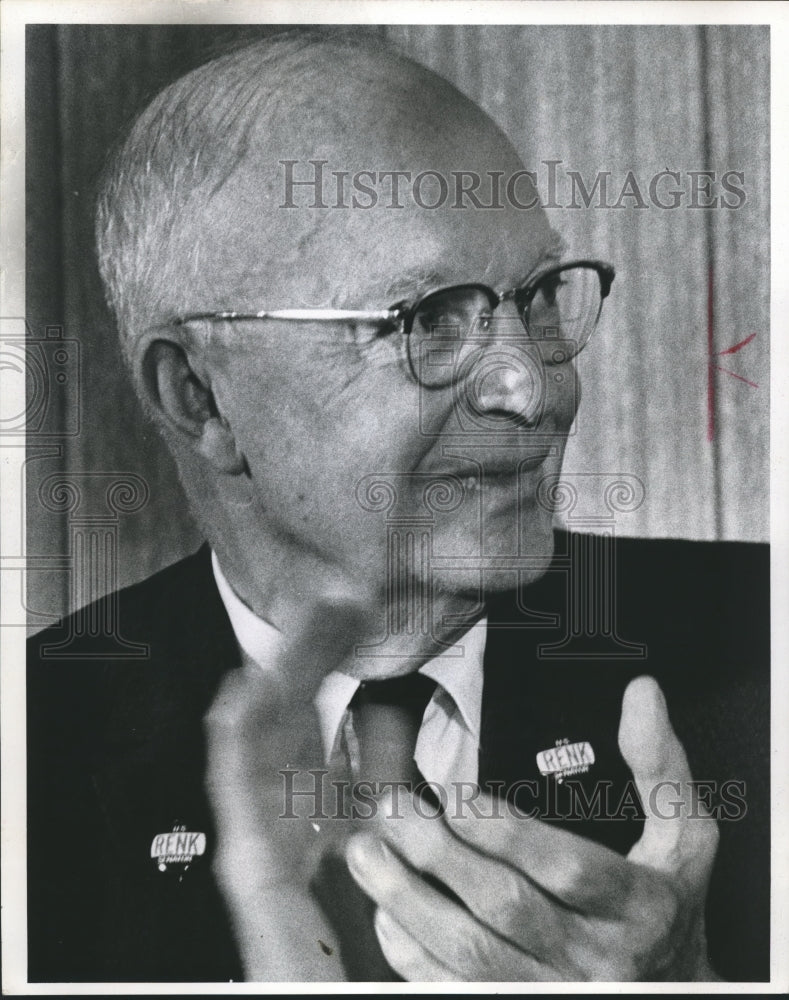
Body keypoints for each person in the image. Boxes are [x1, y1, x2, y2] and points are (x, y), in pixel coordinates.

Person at [27, 29, 769, 983]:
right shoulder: (35, 748)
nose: (531, 389)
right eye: (426, 320)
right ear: (199, 398)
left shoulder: (760, 649)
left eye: (538, 295)